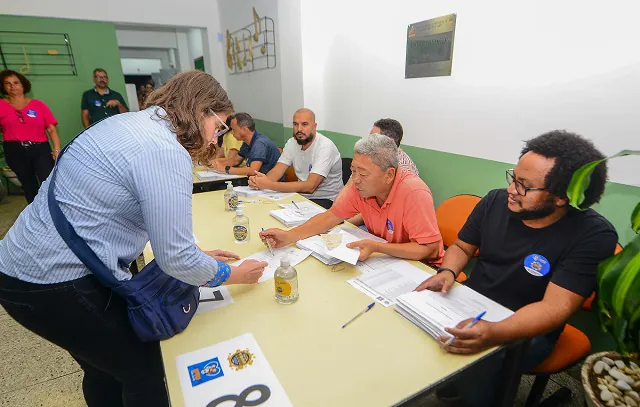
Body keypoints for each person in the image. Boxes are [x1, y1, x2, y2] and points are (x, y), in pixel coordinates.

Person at [0, 71, 268, 407]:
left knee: (103, 368)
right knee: (147, 371)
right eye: (219, 127)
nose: (216, 139)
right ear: (202, 111)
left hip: (21, 265)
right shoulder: (162, 149)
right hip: (52, 282)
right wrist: (231, 275)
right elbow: (176, 259)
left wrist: (192, 253)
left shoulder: (128, 123)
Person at [415, 130, 618, 406]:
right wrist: (448, 272)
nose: (512, 190)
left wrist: (495, 331)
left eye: (525, 186)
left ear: (561, 197)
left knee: (482, 364)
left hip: (529, 328)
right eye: (514, 178)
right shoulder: (494, 201)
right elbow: (462, 247)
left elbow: (555, 308)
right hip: (472, 303)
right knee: (416, 326)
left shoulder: (593, 235)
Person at [260, 133, 444, 264]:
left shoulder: (414, 192)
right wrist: (289, 236)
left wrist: (379, 248)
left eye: (362, 174)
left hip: (421, 266)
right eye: (353, 170)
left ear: (389, 175)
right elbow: (330, 217)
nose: (355, 180)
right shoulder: (360, 186)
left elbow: (429, 249)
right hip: (384, 259)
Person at [248, 108, 343, 209]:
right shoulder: (292, 143)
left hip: (327, 200)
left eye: (304, 124)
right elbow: (277, 171)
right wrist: (259, 181)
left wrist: (269, 184)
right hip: (300, 197)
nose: (299, 129)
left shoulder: (325, 147)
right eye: (295, 124)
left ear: (314, 126)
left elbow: (310, 187)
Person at [0, 69, 61, 203]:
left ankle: (53, 212)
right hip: (15, 150)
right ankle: (36, 216)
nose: (12, 86)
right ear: (3, 86)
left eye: (16, 82)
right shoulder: (1, 106)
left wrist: (56, 149)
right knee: (29, 186)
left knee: (48, 181)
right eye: (8, 83)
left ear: (23, 84)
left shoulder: (39, 105)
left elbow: (51, 129)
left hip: (40, 149)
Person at [210, 112, 281, 177]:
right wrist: (217, 163)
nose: (232, 133)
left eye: (234, 130)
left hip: (270, 184)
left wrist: (226, 169)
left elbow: (253, 170)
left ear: (244, 129)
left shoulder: (259, 144)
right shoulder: (247, 142)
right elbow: (235, 160)